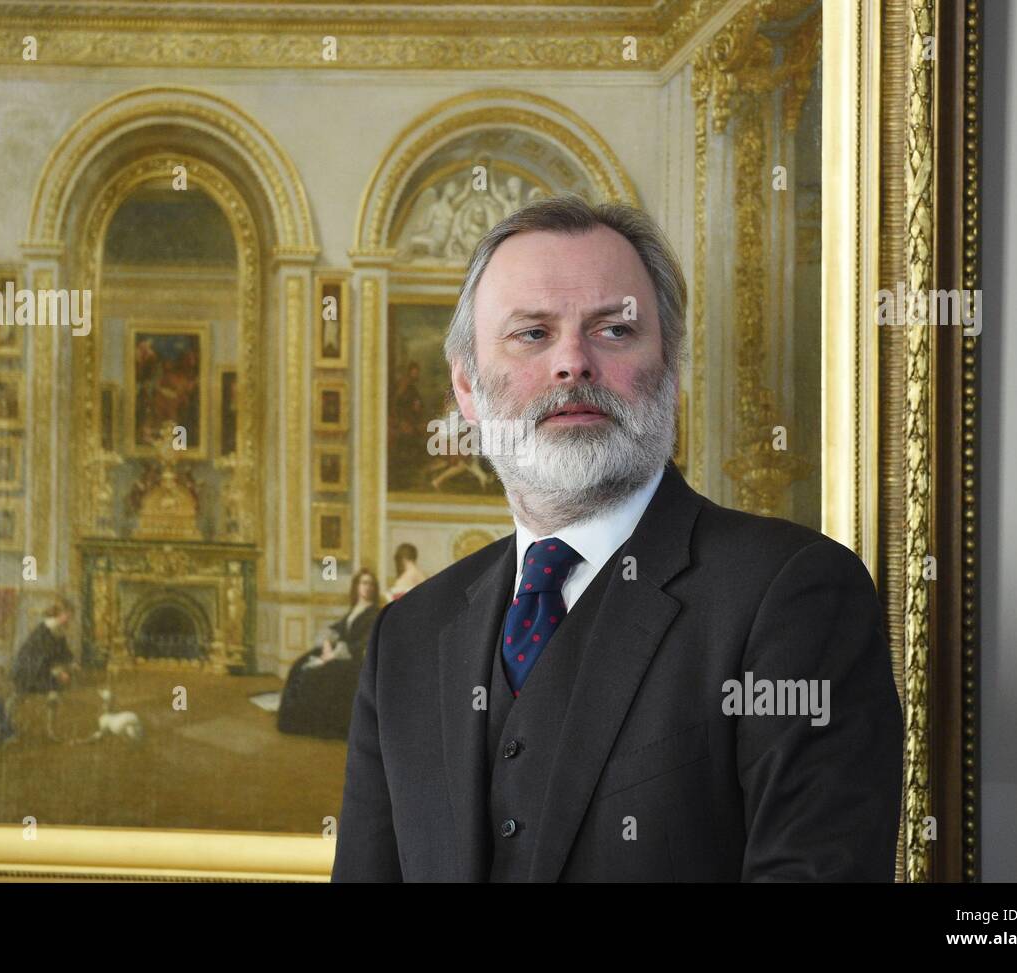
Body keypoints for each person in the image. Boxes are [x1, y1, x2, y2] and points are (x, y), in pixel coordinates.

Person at [332, 193, 904, 882]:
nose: (573, 362)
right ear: (467, 390)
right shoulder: (407, 638)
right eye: (533, 334)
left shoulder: (794, 597)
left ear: (670, 368)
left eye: (614, 330)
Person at [277, 569, 382, 740]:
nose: (367, 587)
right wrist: (327, 644)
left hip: (354, 660)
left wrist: (334, 654)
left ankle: (308, 722)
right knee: (300, 664)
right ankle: (292, 718)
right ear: (356, 586)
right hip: (340, 651)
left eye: (370, 584)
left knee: (316, 674)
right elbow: (337, 628)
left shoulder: (374, 612)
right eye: (363, 583)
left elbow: (363, 643)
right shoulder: (356, 608)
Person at [8, 599, 77, 742]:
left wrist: (72, 662)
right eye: (68, 615)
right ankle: (5, 727)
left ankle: (51, 731)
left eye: (71, 615)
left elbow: (63, 651)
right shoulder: (45, 631)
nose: (70, 619)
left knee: (53, 695)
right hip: (29, 669)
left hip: (41, 669)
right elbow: (43, 658)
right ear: (60, 614)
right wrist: (59, 672)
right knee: (18, 697)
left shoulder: (57, 629)